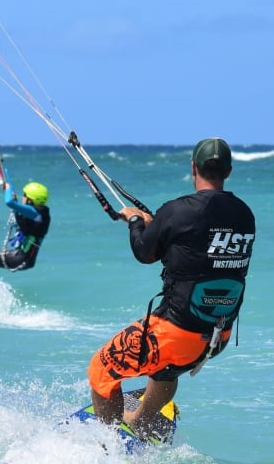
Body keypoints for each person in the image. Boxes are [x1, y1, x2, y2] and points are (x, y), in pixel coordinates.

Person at [87, 137, 255, 437]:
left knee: (101, 369)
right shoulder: (245, 215)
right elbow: (199, 255)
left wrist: (137, 222)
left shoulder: (177, 211)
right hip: (217, 336)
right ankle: (142, 420)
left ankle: (107, 448)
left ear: (193, 167)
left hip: (177, 334)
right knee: (165, 367)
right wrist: (156, 226)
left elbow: (144, 253)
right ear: (228, 171)